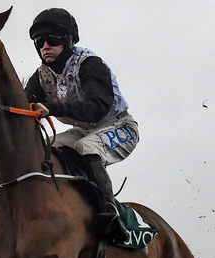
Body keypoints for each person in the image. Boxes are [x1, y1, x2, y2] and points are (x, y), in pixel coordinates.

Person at [25, 8, 138, 243]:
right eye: (39, 41)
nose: (45, 45)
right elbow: (23, 105)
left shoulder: (90, 64)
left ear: (68, 41)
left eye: (52, 39)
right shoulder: (41, 75)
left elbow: (96, 107)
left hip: (118, 125)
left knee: (88, 148)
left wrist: (52, 109)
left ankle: (109, 213)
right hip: (83, 131)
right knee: (42, 147)